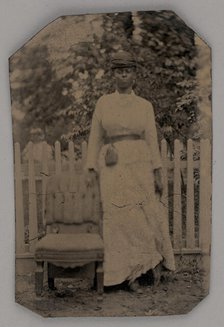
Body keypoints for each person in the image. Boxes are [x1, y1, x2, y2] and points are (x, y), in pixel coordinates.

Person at [85, 50, 175, 292]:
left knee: (141, 216)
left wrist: (157, 171)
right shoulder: (104, 102)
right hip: (113, 166)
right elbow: (95, 137)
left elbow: (151, 139)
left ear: (134, 74)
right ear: (113, 75)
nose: (123, 75)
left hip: (139, 164)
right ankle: (120, 275)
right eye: (119, 71)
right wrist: (92, 166)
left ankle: (143, 270)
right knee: (117, 218)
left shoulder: (144, 105)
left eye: (128, 70)